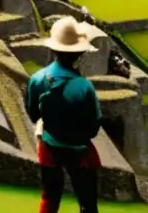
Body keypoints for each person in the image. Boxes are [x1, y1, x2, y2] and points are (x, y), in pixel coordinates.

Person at [26, 17, 102, 213]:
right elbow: (94, 125)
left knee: (49, 198)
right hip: (78, 149)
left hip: (49, 144)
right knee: (87, 202)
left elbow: (33, 113)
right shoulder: (84, 86)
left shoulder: (37, 79)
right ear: (79, 52)